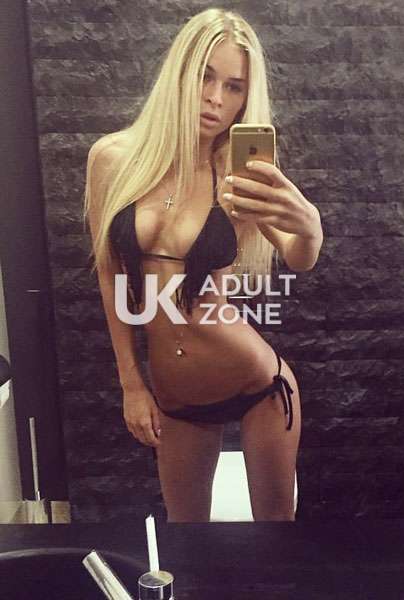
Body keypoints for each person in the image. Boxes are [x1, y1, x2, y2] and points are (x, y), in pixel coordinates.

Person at [84, 8, 323, 522]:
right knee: (186, 540)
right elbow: (110, 272)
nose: (216, 98)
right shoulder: (112, 159)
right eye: (205, 77)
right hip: (177, 397)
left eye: (234, 87)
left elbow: (297, 256)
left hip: (259, 387)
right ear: (180, 73)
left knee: (276, 542)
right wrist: (131, 383)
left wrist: (310, 228)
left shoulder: (238, 171)